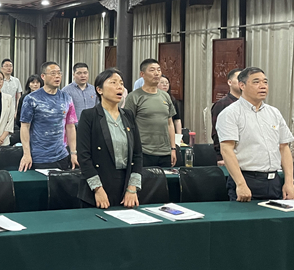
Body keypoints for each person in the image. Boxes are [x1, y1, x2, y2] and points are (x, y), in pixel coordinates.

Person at [216, 67, 294, 202]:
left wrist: (289, 182)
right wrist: (241, 184)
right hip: (247, 180)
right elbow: (226, 150)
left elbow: (284, 147)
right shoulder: (230, 113)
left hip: (274, 182)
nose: (262, 86)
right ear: (242, 85)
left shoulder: (274, 113)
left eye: (265, 82)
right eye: (256, 82)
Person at [77, 69, 143, 208]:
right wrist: (97, 189)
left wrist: (132, 188)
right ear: (99, 90)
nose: (119, 87)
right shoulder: (89, 116)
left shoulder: (128, 115)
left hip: (125, 187)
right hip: (97, 186)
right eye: (113, 83)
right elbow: (84, 156)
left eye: (121, 83)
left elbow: (137, 154)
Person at [19, 61, 78, 171]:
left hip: (62, 156)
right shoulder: (31, 99)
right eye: (53, 73)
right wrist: (26, 154)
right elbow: (25, 127)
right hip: (39, 157)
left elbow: (70, 126)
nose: (57, 76)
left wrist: (73, 153)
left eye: (59, 73)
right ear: (43, 76)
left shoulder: (66, 98)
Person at [124, 58, 178, 168]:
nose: (156, 73)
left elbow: (170, 124)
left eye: (159, 70)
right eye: (152, 70)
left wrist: (173, 148)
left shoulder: (165, 96)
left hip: (165, 153)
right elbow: (127, 125)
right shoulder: (134, 97)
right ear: (142, 74)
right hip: (143, 152)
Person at [211, 68, 242, 162]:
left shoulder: (249, 104)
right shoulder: (222, 104)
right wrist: (221, 156)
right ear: (229, 82)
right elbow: (217, 133)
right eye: (239, 79)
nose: (242, 82)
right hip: (227, 156)